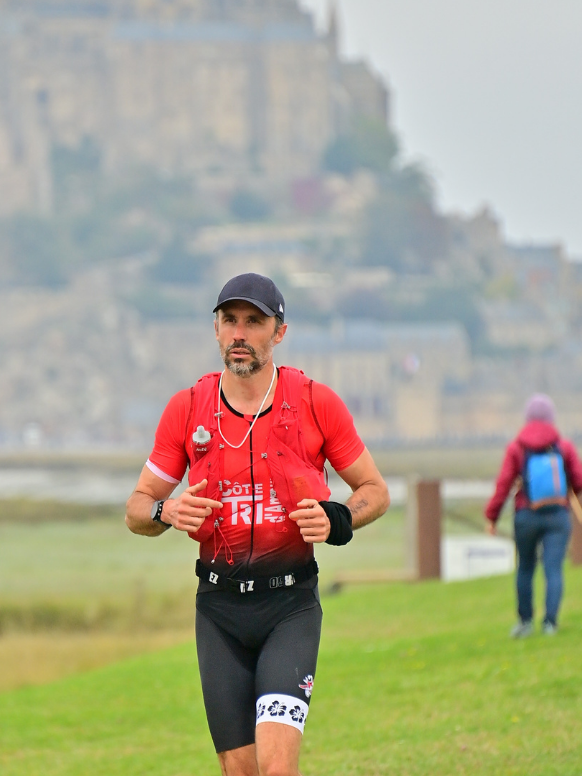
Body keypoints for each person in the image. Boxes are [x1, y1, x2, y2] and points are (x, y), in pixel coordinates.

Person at [125, 273, 390, 776]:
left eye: (254, 321)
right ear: (217, 331)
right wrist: (167, 511)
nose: (240, 333)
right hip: (220, 612)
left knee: (276, 768)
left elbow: (375, 492)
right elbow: (136, 508)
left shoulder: (315, 402)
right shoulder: (187, 410)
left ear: (279, 332)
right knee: (240, 771)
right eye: (230, 321)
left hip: (288, 608)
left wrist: (338, 518)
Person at [485, 393, 582, 637]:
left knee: (525, 568)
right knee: (553, 569)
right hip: (558, 515)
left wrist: (492, 517)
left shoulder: (516, 448)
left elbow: (503, 485)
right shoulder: (564, 447)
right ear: (552, 418)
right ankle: (550, 623)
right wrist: (566, 490)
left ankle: (525, 622)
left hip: (526, 516)